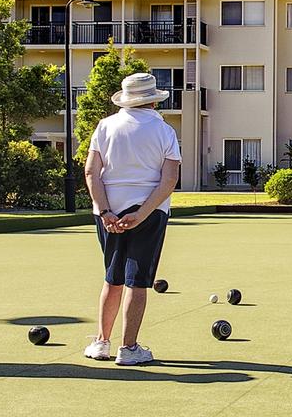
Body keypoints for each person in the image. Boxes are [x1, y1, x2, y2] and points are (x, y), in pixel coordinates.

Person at [83, 73, 181, 366]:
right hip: (150, 212)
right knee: (137, 282)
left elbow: (91, 172)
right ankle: (129, 348)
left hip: (109, 212)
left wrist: (104, 211)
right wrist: (142, 213)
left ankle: (101, 343)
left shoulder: (105, 126)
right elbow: (169, 179)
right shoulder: (164, 131)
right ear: (153, 100)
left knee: (112, 278)